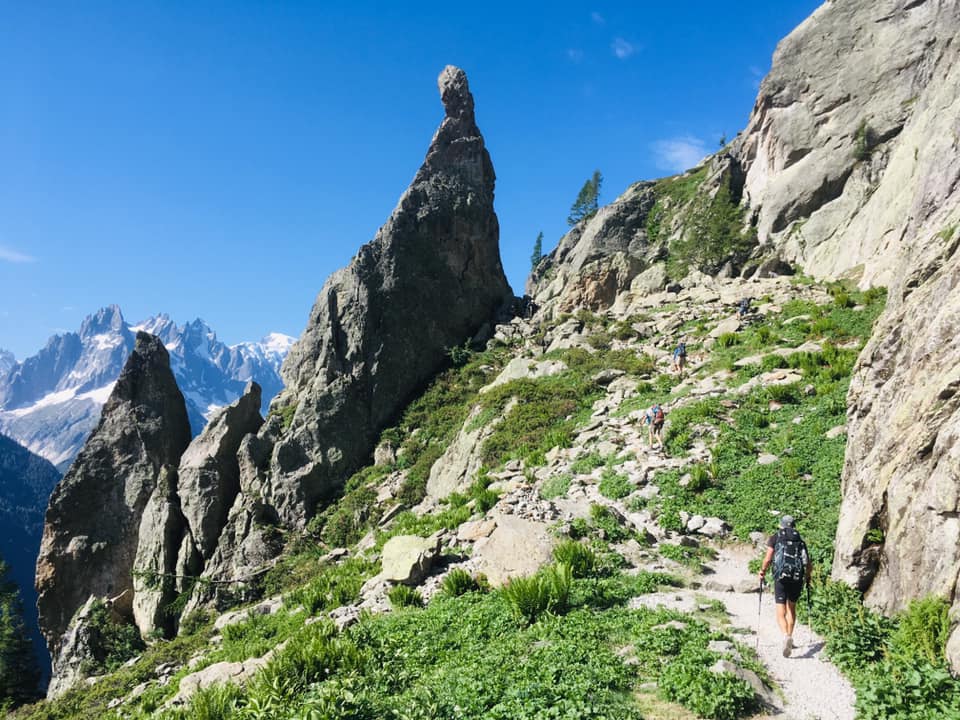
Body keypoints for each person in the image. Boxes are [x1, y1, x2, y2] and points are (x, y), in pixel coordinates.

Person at [758, 515, 812, 657]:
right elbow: (807, 562)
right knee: (791, 608)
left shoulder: (775, 537)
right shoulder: (800, 541)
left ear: (780, 525)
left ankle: (785, 637)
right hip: (796, 577)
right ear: (794, 526)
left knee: (780, 608)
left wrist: (762, 571)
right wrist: (808, 577)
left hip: (781, 577)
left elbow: (768, 557)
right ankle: (789, 635)